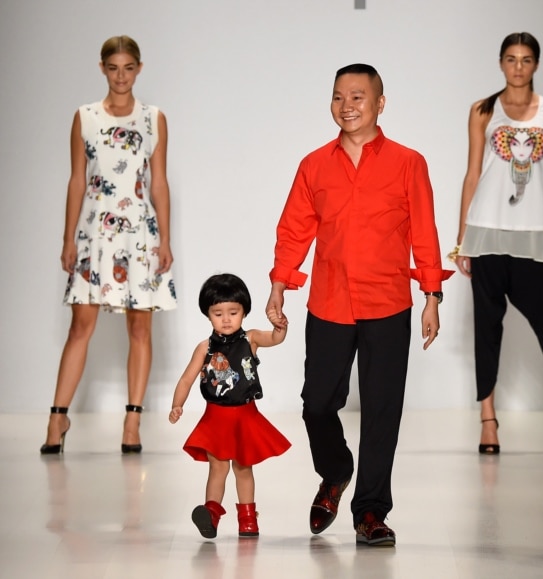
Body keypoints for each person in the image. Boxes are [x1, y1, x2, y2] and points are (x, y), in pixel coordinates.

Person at [266, 63, 452, 546]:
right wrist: (279, 285)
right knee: (316, 403)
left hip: (388, 301)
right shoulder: (314, 165)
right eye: (337, 97)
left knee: (382, 410)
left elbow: (424, 232)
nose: (346, 106)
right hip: (329, 300)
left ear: (380, 103)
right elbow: (294, 229)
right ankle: (336, 470)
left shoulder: (409, 162)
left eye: (357, 97)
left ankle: (370, 510)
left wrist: (431, 296)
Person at [451, 32, 543, 455]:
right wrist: (462, 239)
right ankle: (488, 420)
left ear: (536, 65)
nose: (518, 67)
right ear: (500, 63)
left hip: (534, 234)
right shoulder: (482, 111)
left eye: (526, 60)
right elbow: (473, 173)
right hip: (487, 232)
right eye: (511, 59)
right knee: (487, 328)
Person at [40, 35, 177, 455]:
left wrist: (166, 239)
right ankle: (57, 417)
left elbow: (158, 182)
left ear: (139, 68)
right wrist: (68, 239)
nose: (121, 76)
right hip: (95, 234)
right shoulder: (85, 117)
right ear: (102, 68)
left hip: (139, 234)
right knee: (80, 326)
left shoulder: (154, 118)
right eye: (113, 68)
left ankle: (132, 423)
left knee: (141, 328)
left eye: (128, 68)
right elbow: (77, 180)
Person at [169, 273, 291, 539]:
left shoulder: (252, 339)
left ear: (244, 312)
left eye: (233, 312)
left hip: (245, 416)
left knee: (243, 467)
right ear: (208, 314)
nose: (226, 319)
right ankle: (210, 514)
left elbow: (275, 338)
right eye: (218, 313)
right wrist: (177, 404)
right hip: (215, 418)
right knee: (218, 467)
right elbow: (187, 378)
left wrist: (280, 326)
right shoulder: (205, 347)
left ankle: (248, 518)